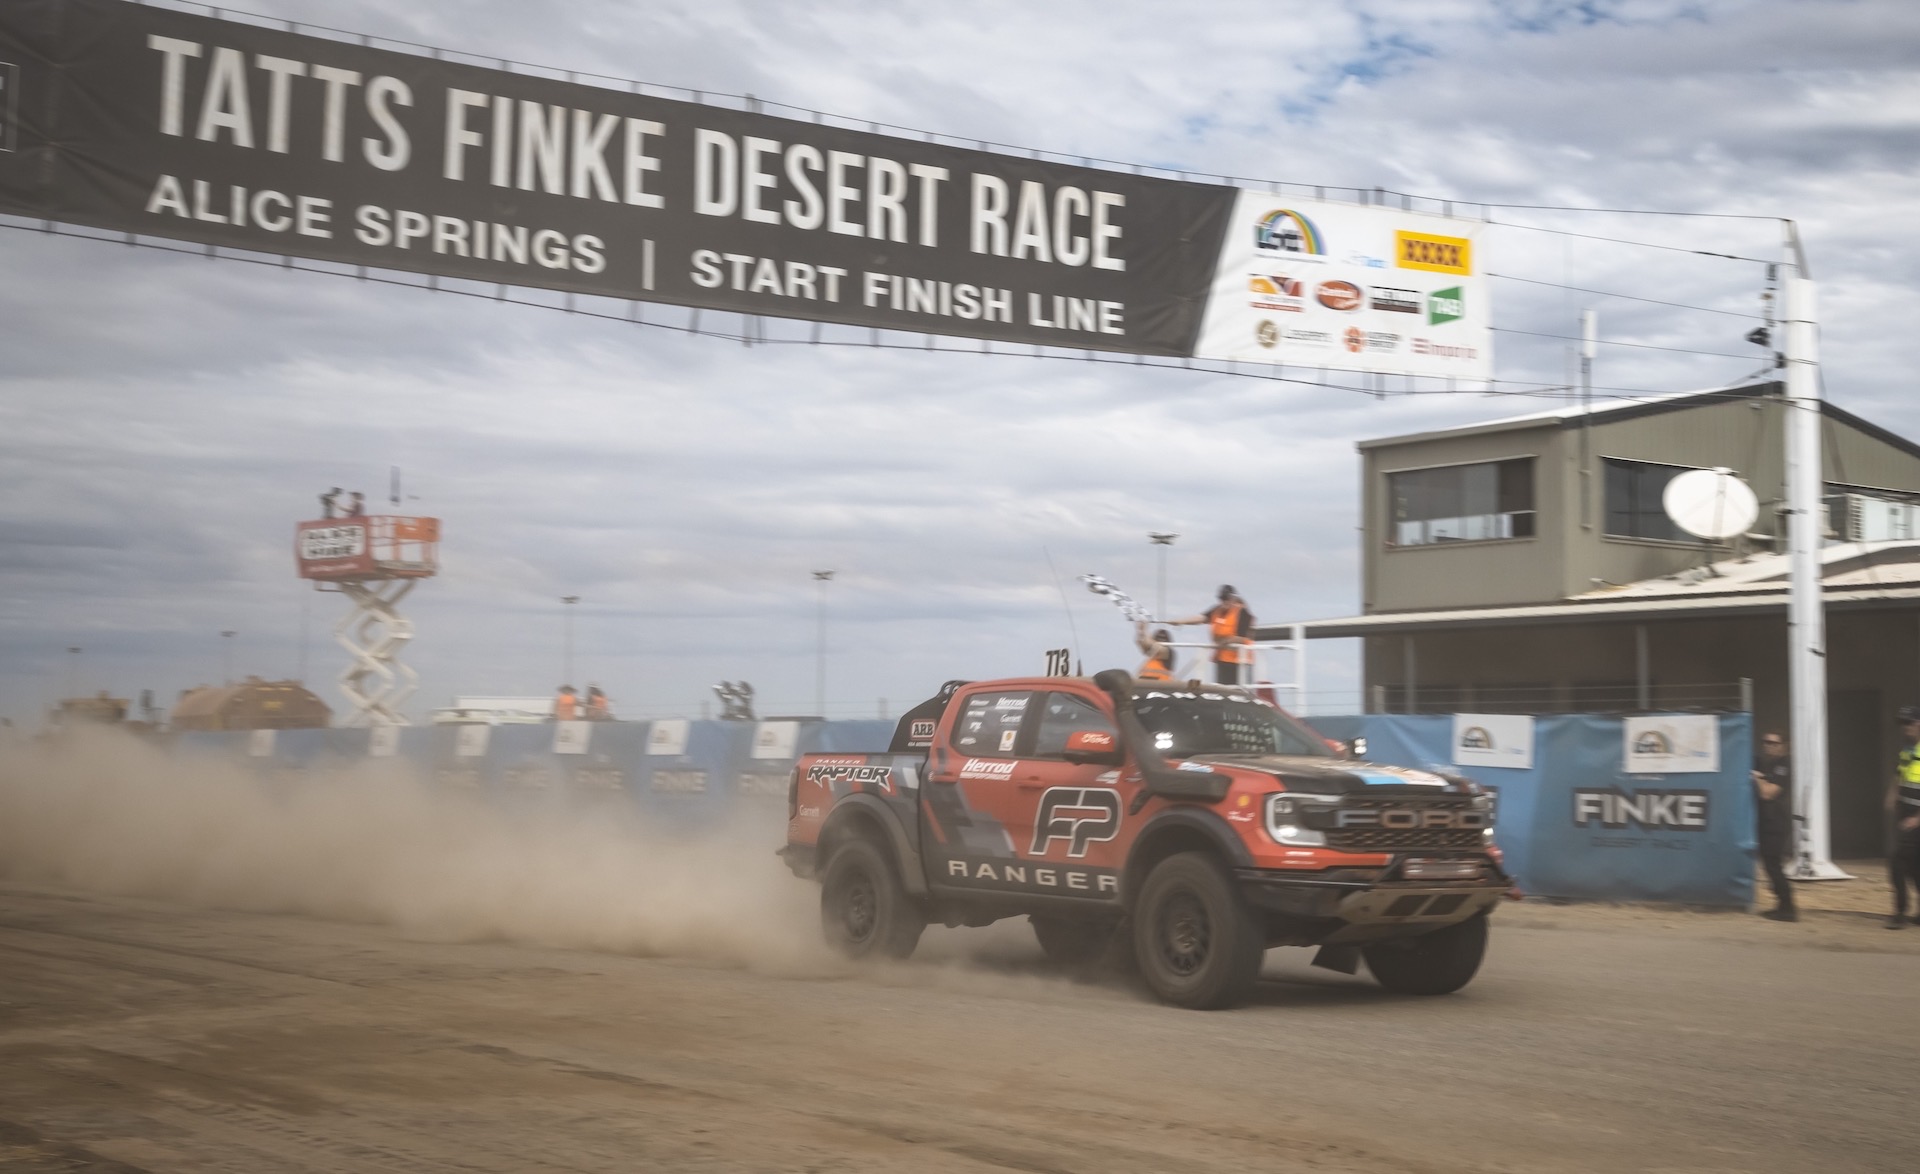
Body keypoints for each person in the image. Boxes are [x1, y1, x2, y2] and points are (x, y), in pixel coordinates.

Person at [1751, 730, 1797, 921]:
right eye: (1766, 742)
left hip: (1776, 822)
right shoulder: (1766, 764)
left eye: (1774, 743)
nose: (1769, 746)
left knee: (1774, 865)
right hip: (1766, 821)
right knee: (1770, 865)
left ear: (1783, 746)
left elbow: (1768, 793)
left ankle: (1788, 909)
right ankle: (1781, 905)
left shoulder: (1783, 765)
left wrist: (1757, 778)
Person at [1170, 585, 1254, 686]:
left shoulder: (1242, 613)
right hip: (1222, 659)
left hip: (1240, 661)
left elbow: (1242, 638)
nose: (1225, 602)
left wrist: (1225, 641)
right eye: (1222, 598)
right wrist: (1180, 621)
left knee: (1240, 690)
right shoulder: (1216, 610)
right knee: (1223, 689)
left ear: (1233, 598)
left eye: (1227, 598)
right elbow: (1201, 618)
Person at [1888, 705, 1920, 929]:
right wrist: (1892, 794)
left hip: (1916, 820)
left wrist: (1917, 819)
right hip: (1906, 815)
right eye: (1903, 724)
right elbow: (1899, 774)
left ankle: (1900, 913)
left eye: (1909, 723)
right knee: (1915, 866)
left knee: (1897, 863)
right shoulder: (1908, 749)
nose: (1905, 728)